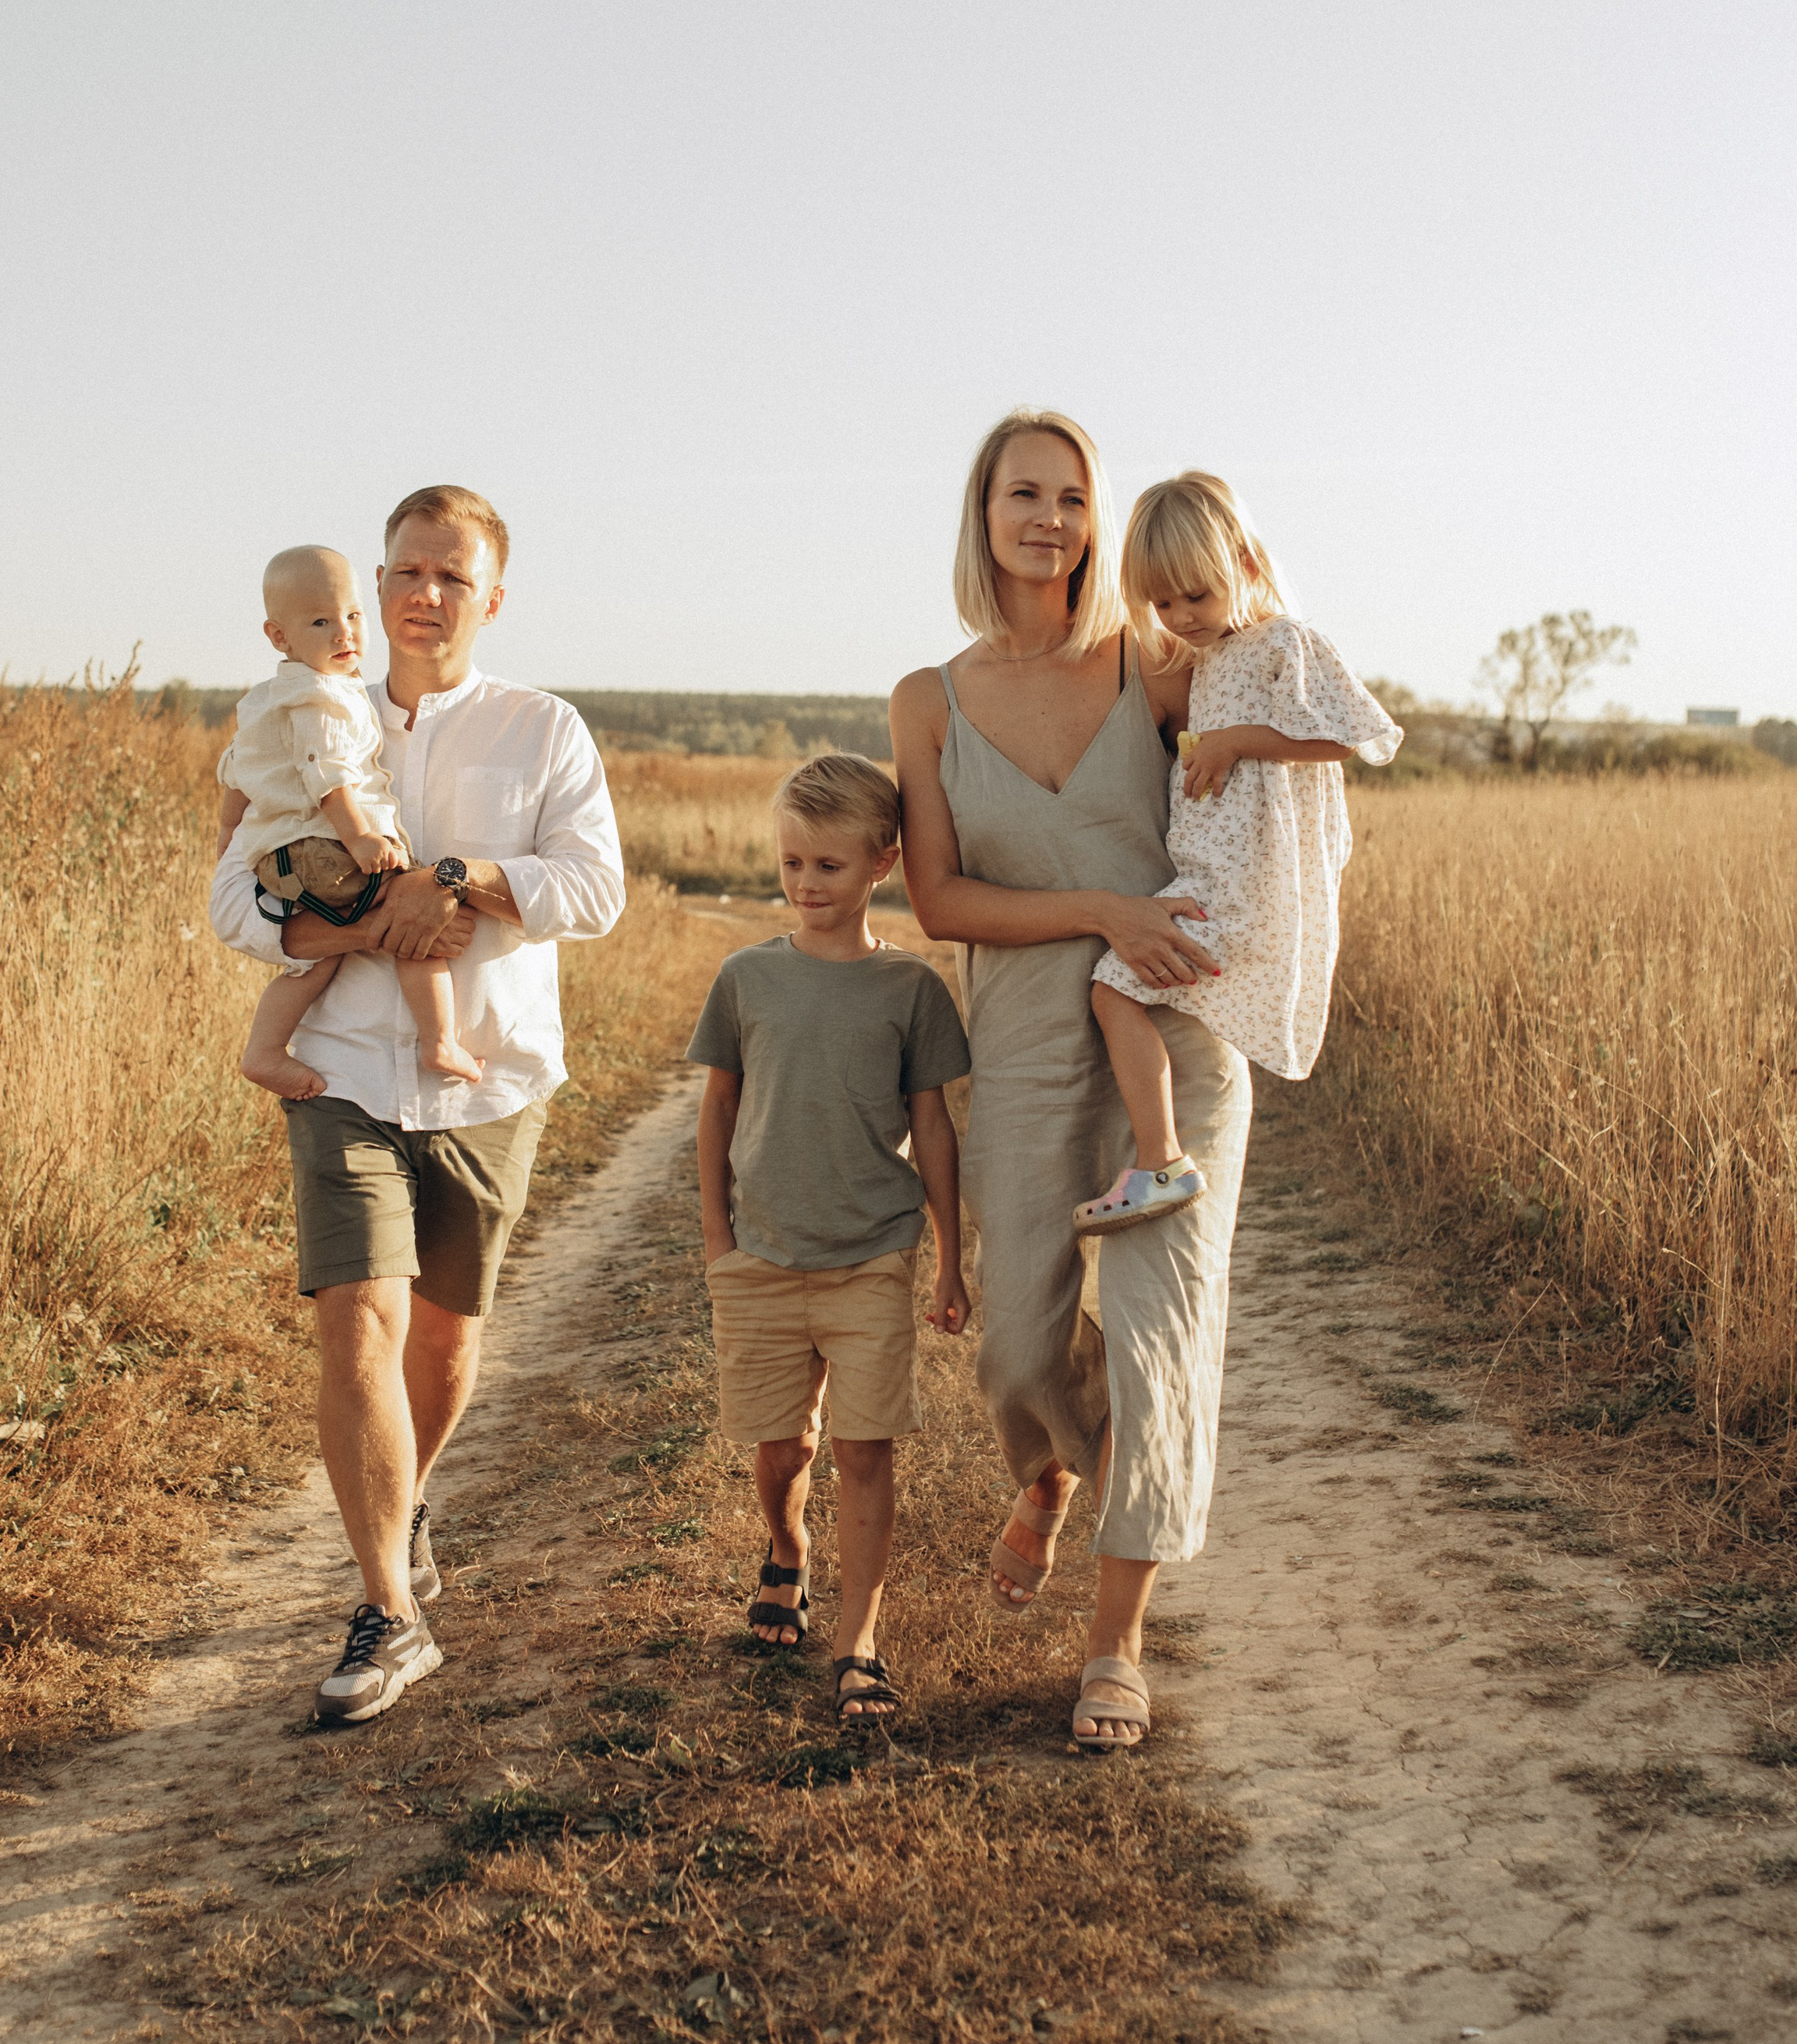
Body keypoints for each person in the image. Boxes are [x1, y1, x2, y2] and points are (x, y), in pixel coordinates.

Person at [209, 484, 625, 1726]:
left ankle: (408, 1499)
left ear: (491, 597)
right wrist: (355, 925)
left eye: (452, 575)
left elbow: (595, 891)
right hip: (340, 1067)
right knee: (360, 1317)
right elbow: (233, 902)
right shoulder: (309, 714)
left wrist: (461, 880)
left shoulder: (542, 729)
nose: (424, 594)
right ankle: (387, 1609)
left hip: (488, 1075)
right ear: (378, 581)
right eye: (406, 570)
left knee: (442, 1338)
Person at [891, 410, 1244, 1752]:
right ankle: (1045, 1471)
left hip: (1174, 1039)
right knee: (1022, 1347)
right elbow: (938, 898)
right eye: (1023, 493)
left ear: (1101, 520)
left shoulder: (1155, 663)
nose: (1049, 517)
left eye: (1073, 496)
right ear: (982, 515)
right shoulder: (929, 698)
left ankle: (1116, 1645)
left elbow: (1286, 700)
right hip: (1027, 1042)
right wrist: (1103, 904)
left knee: (1158, 1342)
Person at [688, 754, 972, 1723]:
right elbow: (716, 1109)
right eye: (791, 862)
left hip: (872, 1253)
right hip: (761, 1256)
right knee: (783, 1447)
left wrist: (949, 1257)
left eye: (828, 865)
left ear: (881, 862)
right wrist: (719, 1238)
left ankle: (858, 1639)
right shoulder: (747, 977)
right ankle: (786, 1543)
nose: (805, 883)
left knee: (863, 1448)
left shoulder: (910, 987)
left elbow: (932, 1126)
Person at [1076, 474, 1402, 1232]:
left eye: (1196, 595)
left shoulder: (1283, 642)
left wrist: (1236, 741)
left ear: (1245, 565)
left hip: (1243, 883)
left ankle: (1161, 1162)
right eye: (1162, 603)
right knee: (1118, 989)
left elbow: (1350, 736)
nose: (1180, 617)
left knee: (1112, 989)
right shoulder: (1205, 659)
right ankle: (1159, 1156)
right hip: (1206, 873)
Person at [218, 543, 485, 1100]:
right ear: (279, 636)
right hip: (329, 848)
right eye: (321, 622)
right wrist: (361, 836)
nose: (344, 633)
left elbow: (236, 774)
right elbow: (328, 775)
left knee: (318, 960)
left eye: (353, 615)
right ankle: (440, 1042)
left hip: (282, 860)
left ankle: (265, 1050)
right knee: (415, 917)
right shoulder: (325, 698)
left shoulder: (266, 701)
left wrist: (230, 844)